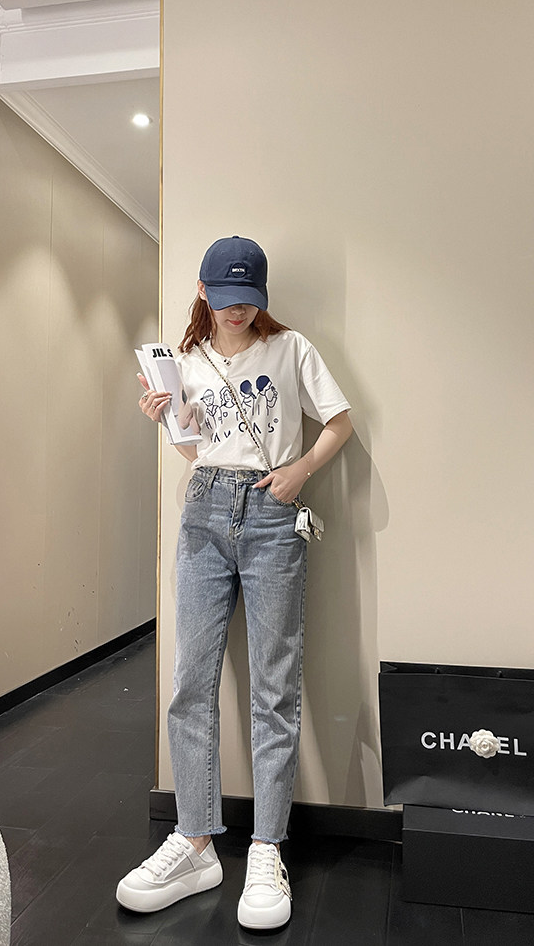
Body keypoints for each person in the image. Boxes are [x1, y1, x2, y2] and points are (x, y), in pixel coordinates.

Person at [116, 235, 352, 930]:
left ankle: (267, 847)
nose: (237, 311)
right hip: (205, 510)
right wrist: (167, 417)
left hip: (273, 512)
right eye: (225, 299)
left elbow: (339, 422)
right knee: (191, 678)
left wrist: (300, 470)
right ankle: (195, 843)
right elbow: (193, 446)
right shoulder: (187, 359)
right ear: (203, 291)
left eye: (248, 299)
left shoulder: (290, 348)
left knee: (275, 684)